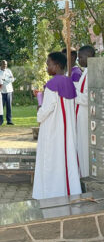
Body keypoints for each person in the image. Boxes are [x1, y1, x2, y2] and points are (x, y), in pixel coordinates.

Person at [32, 52, 81, 199]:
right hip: (66, 131)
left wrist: (39, 109)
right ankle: (68, 190)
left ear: (57, 65)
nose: (47, 68)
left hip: (52, 130)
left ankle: (51, 193)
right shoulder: (68, 82)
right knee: (65, 160)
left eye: (49, 64)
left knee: (51, 161)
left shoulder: (53, 84)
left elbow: (46, 110)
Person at [76, 45, 95, 178]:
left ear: (88, 56)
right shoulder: (86, 72)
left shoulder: (92, 74)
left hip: (86, 116)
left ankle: (86, 175)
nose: (78, 60)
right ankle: (82, 174)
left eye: (80, 57)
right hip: (80, 115)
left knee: (85, 147)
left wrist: (73, 93)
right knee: (81, 146)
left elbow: (89, 98)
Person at [0, 60, 15, 125]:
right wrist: (7, 80)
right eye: (3, 64)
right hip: (1, 91)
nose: (5, 65)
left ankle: (9, 120)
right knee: (1, 106)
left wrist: (5, 80)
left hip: (9, 91)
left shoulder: (9, 71)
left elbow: (12, 79)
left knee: (9, 106)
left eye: (6, 64)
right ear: (1, 64)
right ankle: (0, 121)